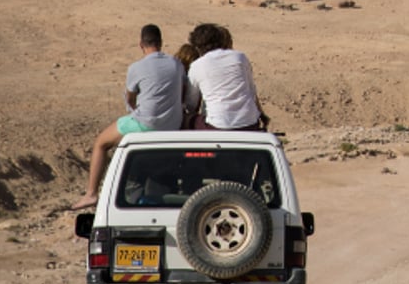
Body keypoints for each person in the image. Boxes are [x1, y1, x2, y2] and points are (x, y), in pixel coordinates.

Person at [73, 24, 184, 210]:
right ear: (161, 42)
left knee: (101, 142)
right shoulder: (176, 64)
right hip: (172, 124)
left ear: (141, 44)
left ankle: (91, 193)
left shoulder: (137, 67)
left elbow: (131, 98)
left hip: (146, 123)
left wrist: (134, 108)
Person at [184, 22, 266, 131]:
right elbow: (251, 91)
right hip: (250, 123)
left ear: (197, 47)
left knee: (186, 120)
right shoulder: (239, 57)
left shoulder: (197, 66)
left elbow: (191, 104)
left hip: (217, 126)